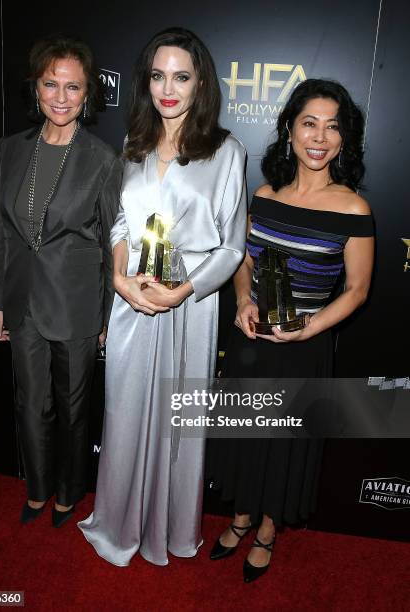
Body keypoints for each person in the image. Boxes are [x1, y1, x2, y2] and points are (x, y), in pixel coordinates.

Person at [78, 27, 246, 566]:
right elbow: (121, 223)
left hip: (190, 309)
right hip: (132, 304)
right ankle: (120, 523)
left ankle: (171, 529)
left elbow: (232, 246)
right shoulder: (134, 146)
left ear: (200, 83)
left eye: (180, 76)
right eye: (157, 75)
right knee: (124, 415)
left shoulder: (226, 151)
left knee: (179, 424)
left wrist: (180, 292)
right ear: (145, 81)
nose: (167, 88)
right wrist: (121, 281)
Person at [207, 79, 374, 582]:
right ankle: (239, 517)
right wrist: (241, 300)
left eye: (332, 127)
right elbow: (244, 262)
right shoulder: (265, 194)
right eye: (309, 123)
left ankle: (267, 530)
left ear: (345, 140)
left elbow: (358, 289)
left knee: (284, 445)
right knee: (244, 437)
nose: (320, 137)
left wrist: (309, 329)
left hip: (304, 348)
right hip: (251, 340)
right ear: (288, 129)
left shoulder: (353, 209)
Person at [0, 34, 122, 527]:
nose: (60, 97)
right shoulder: (10, 149)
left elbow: (112, 244)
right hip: (21, 301)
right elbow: (0, 229)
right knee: (29, 405)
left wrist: (106, 315)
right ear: (36, 88)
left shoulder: (103, 159)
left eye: (73, 87)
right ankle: (38, 489)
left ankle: (68, 491)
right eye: (50, 84)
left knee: (73, 407)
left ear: (88, 95)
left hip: (77, 304)